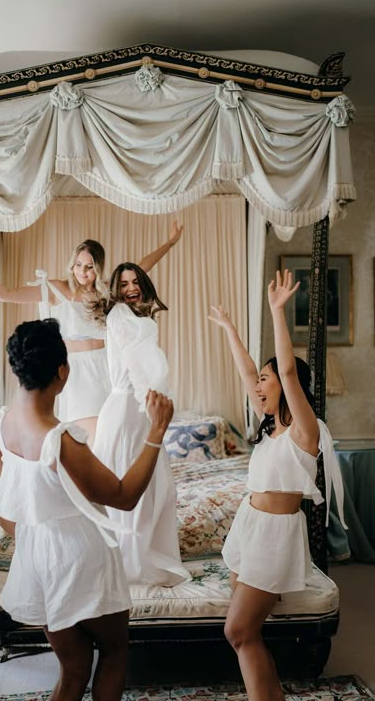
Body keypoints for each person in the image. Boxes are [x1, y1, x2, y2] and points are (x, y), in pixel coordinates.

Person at [0, 318, 173, 701]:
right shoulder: (62, 440)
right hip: (84, 557)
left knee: (74, 667)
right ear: (63, 371)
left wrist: (32, 531)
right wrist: (156, 433)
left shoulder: (1, 425)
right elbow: (125, 495)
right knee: (113, 651)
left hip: (39, 559)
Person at [208, 269, 346, 701]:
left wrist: (276, 311)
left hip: (274, 535)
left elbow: (286, 370)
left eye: (265, 382)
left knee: (238, 630)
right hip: (249, 527)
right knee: (246, 634)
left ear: (287, 390)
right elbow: (250, 370)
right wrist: (230, 329)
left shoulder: (305, 431)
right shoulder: (268, 428)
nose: (258, 386)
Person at [0, 223, 183, 445]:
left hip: (106, 367)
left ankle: (112, 476)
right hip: (77, 371)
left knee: (112, 432)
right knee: (88, 435)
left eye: (89, 267)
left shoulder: (106, 292)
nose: (82, 271)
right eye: (79, 264)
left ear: (98, 269)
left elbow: (141, 268)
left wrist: (169, 243)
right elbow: (7, 294)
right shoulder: (55, 290)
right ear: (72, 264)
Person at [91, 263, 190, 586]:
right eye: (124, 283)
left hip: (138, 407)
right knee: (129, 485)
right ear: (116, 290)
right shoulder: (119, 313)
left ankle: (140, 554)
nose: (131, 288)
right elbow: (134, 357)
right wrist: (148, 399)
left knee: (153, 485)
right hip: (128, 408)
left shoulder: (141, 317)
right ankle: (127, 561)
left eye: (136, 281)